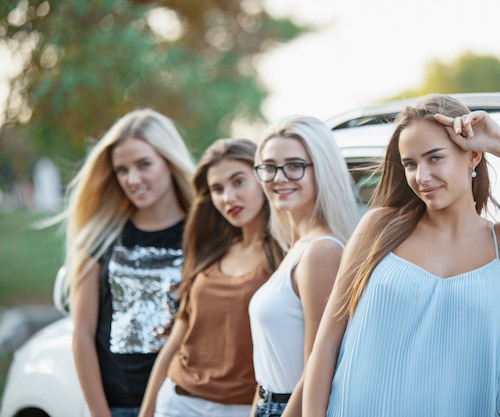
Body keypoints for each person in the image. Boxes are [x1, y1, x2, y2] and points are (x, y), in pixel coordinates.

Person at [302, 94, 500, 417]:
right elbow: (325, 345)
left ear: (473, 156)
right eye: (410, 164)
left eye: (435, 158)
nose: (421, 177)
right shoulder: (379, 227)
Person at [62, 109, 196, 417]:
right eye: (121, 170)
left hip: (184, 404)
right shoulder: (99, 236)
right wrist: (100, 413)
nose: (132, 179)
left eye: (144, 164)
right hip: (116, 407)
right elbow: (82, 333)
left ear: (169, 160)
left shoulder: (203, 234)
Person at [137, 138, 283, 417]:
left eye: (238, 181)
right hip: (178, 401)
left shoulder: (288, 257)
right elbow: (177, 340)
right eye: (217, 189)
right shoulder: (209, 250)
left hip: (244, 407)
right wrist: (146, 411)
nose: (227, 197)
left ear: (263, 178)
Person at [248, 115, 360, 417]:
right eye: (269, 167)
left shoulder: (322, 251)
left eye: (295, 166)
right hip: (267, 403)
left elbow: (318, 365)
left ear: (321, 170)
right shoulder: (297, 248)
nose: (279, 177)